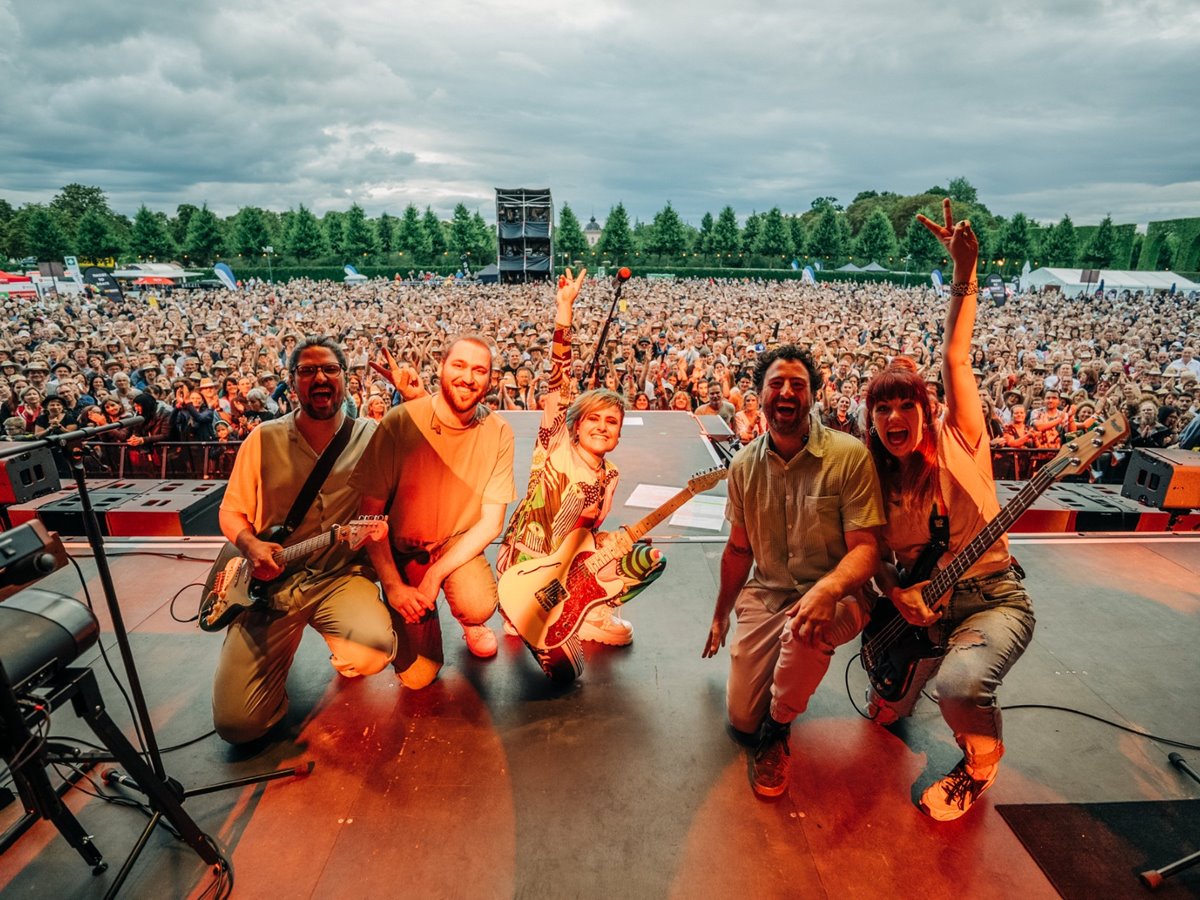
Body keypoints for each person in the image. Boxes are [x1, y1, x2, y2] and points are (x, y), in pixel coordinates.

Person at [863, 200, 1036, 821]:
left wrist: (965, 272)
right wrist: (894, 591)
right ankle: (912, 665)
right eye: (880, 409)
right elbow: (874, 555)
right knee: (878, 691)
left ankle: (980, 763)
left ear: (926, 409)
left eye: (904, 404)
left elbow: (956, 355)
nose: (892, 418)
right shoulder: (874, 476)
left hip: (992, 598)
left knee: (959, 689)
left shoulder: (961, 438)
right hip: (921, 610)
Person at [702, 343, 884, 798]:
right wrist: (721, 614)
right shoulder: (743, 465)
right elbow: (739, 550)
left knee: (805, 631)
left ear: (813, 396)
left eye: (797, 385)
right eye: (776, 384)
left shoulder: (849, 456)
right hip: (769, 593)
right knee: (742, 719)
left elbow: (867, 550)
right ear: (760, 396)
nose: (786, 392)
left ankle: (778, 730)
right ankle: (768, 701)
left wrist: (832, 588)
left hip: (838, 595)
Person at [212, 336, 396, 744]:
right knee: (237, 726)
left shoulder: (372, 435)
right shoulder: (262, 438)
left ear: (346, 379)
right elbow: (230, 511)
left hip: (339, 578)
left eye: (330, 369)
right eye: (307, 370)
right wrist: (249, 544)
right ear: (292, 381)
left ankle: (339, 645)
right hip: (269, 586)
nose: (320, 378)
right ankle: (271, 661)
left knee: (374, 651)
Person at [497, 269, 665, 681]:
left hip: (565, 568)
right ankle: (522, 611)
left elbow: (583, 535)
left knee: (649, 559)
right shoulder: (555, 445)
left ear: (620, 434)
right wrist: (565, 311)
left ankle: (586, 612)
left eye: (612, 421)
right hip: (528, 569)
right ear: (575, 423)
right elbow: (561, 381)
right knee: (566, 673)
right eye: (594, 418)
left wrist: (616, 542)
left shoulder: (610, 475)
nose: (603, 426)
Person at [351, 334, 517, 690]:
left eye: (479, 370)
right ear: (441, 367)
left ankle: (466, 618)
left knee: (478, 603)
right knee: (417, 678)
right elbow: (367, 518)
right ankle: (398, 609)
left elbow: (491, 523)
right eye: (459, 365)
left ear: (491, 380)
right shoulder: (398, 422)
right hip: (402, 547)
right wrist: (395, 587)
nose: (468, 378)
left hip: (453, 541)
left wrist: (436, 575)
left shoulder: (499, 432)